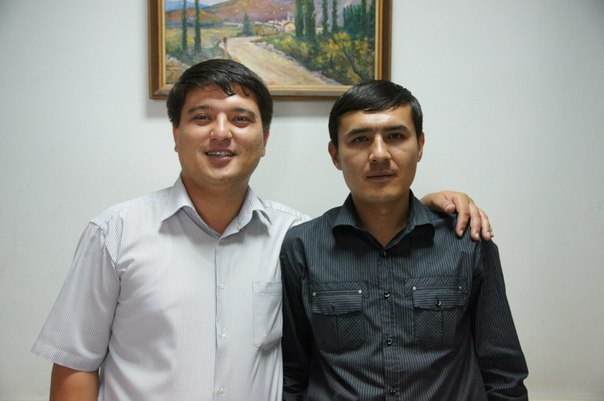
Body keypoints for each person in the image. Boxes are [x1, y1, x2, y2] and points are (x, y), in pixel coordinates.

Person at [32, 59, 492, 401]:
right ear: (175, 133)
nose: (221, 132)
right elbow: (75, 364)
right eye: (201, 117)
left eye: (241, 119)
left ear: (265, 140)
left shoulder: (297, 238)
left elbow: (376, 241)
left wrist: (429, 207)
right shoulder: (114, 233)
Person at [280, 80, 528, 400]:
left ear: (420, 145)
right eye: (360, 139)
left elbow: (504, 374)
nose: (379, 154)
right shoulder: (302, 248)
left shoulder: (466, 241)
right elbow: (292, 374)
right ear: (335, 154)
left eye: (396, 136)